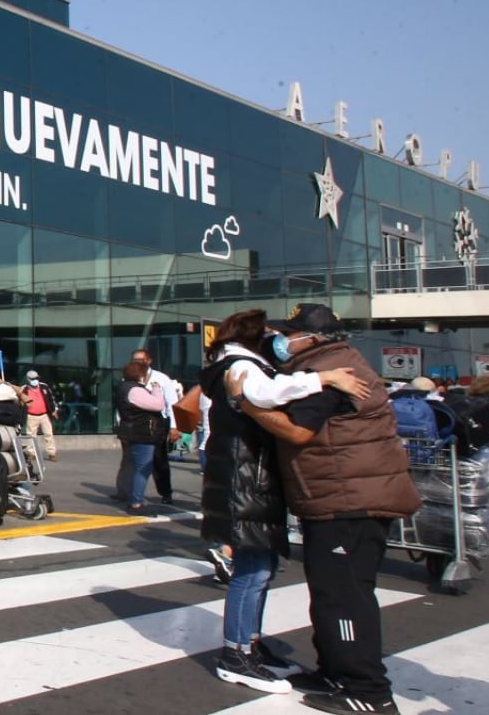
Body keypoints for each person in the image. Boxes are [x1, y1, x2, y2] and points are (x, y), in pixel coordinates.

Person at [240, 304, 419, 714]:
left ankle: (368, 691)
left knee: (343, 596)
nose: (281, 341)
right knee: (329, 591)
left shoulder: (331, 372)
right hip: (340, 496)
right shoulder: (327, 366)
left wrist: (248, 405)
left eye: (289, 334)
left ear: (313, 338)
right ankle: (335, 672)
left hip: (349, 501)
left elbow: (298, 431)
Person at [197, 308, 369, 693]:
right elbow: (266, 394)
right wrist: (324, 378)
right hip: (245, 479)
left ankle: (250, 644)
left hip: (250, 477)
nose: (280, 340)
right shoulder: (241, 366)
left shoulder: (243, 363)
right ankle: (236, 654)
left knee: (262, 566)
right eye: (273, 333)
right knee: (252, 570)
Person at [130, 349, 182, 504]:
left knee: (159, 459)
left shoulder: (161, 378)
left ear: (149, 360)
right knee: (137, 460)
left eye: (141, 360)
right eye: (135, 360)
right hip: (139, 423)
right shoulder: (131, 378)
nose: (138, 363)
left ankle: (166, 492)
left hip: (159, 422)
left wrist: (174, 426)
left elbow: (172, 403)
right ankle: (134, 493)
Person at [115, 362, 167, 512]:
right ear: (140, 374)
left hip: (132, 432)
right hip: (141, 433)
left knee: (133, 465)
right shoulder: (135, 390)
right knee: (142, 468)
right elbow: (158, 405)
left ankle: (131, 497)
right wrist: (156, 389)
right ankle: (136, 502)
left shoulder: (125, 388)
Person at [21, 370, 59, 461]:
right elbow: (20, 401)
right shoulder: (24, 389)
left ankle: (51, 453)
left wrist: (54, 410)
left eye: (36, 378)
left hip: (44, 415)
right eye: (33, 379)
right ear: (28, 379)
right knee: (31, 436)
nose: (35, 380)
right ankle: (31, 453)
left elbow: (51, 399)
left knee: (49, 434)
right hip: (31, 416)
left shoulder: (44, 386)